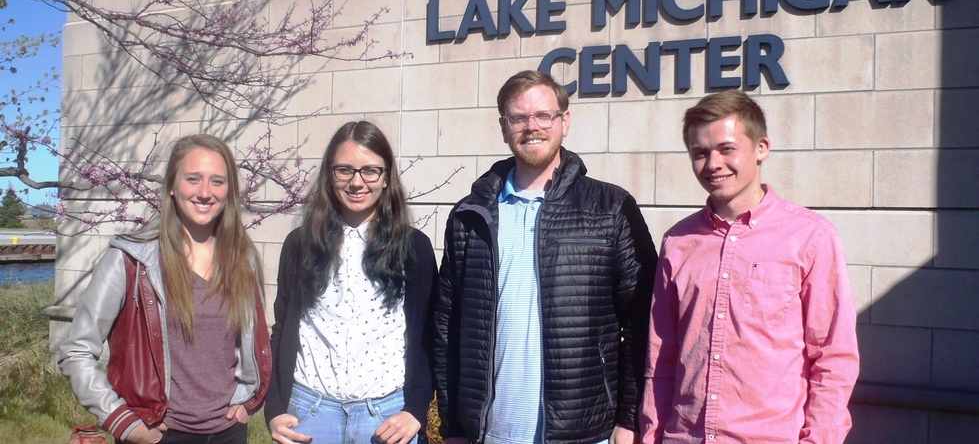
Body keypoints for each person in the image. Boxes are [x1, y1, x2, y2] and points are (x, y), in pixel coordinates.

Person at [433, 70, 657, 444]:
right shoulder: (470, 215)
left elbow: (643, 319)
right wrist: (454, 424)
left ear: (564, 121)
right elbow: (446, 326)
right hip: (489, 433)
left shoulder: (610, 208)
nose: (531, 127)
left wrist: (630, 418)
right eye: (518, 118)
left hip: (584, 432)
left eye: (543, 116)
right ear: (503, 126)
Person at [640, 90, 859, 443]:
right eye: (700, 153)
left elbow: (833, 357)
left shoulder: (810, 237)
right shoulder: (678, 242)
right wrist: (652, 434)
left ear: (761, 148)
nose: (713, 163)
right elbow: (660, 357)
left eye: (727, 149)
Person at [58, 134, 271, 444]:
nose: (205, 192)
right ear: (172, 185)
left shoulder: (243, 258)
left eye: (217, 181)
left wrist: (248, 400)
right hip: (158, 434)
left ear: (229, 191)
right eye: (193, 179)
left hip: (229, 432)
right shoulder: (131, 259)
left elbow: (250, 340)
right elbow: (76, 350)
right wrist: (123, 423)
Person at [265, 120, 437, 444]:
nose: (357, 182)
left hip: (386, 418)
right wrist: (274, 408)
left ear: (386, 178)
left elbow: (429, 335)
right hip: (310, 415)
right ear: (330, 176)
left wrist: (415, 409)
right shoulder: (300, 244)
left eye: (370, 171)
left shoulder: (414, 247)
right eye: (344, 170)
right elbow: (283, 327)